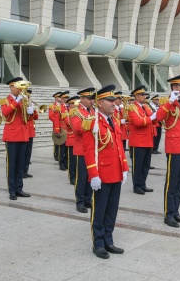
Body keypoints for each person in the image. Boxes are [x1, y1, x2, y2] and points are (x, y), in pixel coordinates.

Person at [83, 84, 128, 259]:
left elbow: (119, 147)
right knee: (99, 210)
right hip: (101, 175)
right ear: (99, 103)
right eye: (109, 100)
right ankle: (99, 243)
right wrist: (93, 174)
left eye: (113, 100)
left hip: (115, 173)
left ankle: (109, 240)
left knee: (112, 210)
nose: (113, 103)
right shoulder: (92, 122)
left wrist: (124, 168)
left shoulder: (114, 121)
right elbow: (89, 150)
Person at [156, 74, 180, 227]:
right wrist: (171, 101)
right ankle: (169, 214)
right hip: (174, 147)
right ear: (174, 87)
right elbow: (159, 117)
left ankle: (176, 211)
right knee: (171, 182)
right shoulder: (167, 102)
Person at [2, 77, 32, 200]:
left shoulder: (24, 99)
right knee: (12, 165)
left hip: (23, 135)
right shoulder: (5, 100)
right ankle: (12, 190)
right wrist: (17, 101)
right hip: (12, 136)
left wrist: (32, 112)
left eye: (22, 87)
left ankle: (19, 188)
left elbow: (30, 118)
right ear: (11, 86)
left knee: (20, 164)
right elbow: (6, 112)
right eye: (18, 87)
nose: (21, 89)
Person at [127, 85, 157, 195]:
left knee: (145, 165)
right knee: (138, 165)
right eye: (143, 95)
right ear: (136, 96)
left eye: (145, 95)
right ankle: (137, 185)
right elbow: (138, 122)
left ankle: (143, 184)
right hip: (138, 141)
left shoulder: (146, 107)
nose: (145, 97)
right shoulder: (132, 108)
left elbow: (153, 121)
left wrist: (156, 116)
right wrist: (152, 118)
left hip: (148, 140)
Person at [70, 87, 96, 213]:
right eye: (90, 99)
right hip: (82, 149)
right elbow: (78, 128)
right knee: (81, 177)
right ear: (82, 99)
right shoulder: (75, 112)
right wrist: (93, 123)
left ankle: (87, 198)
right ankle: (79, 202)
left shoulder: (92, 111)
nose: (92, 101)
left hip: (92, 149)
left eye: (93, 99)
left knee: (90, 176)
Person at [23, 89, 39, 178]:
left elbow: (36, 117)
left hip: (30, 132)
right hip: (24, 132)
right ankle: (21, 171)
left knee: (28, 153)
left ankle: (25, 171)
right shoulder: (22, 105)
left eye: (29, 97)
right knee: (23, 154)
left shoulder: (30, 104)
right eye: (27, 97)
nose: (28, 98)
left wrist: (33, 110)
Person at [64, 95, 78, 185]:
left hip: (79, 140)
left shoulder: (79, 112)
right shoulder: (66, 113)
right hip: (71, 139)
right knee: (72, 161)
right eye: (73, 103)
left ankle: (77, 176)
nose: (75, 104)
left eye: (75, 103)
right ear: (69, 105)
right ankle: (72, 177)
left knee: (78, 161)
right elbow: (68, 123)